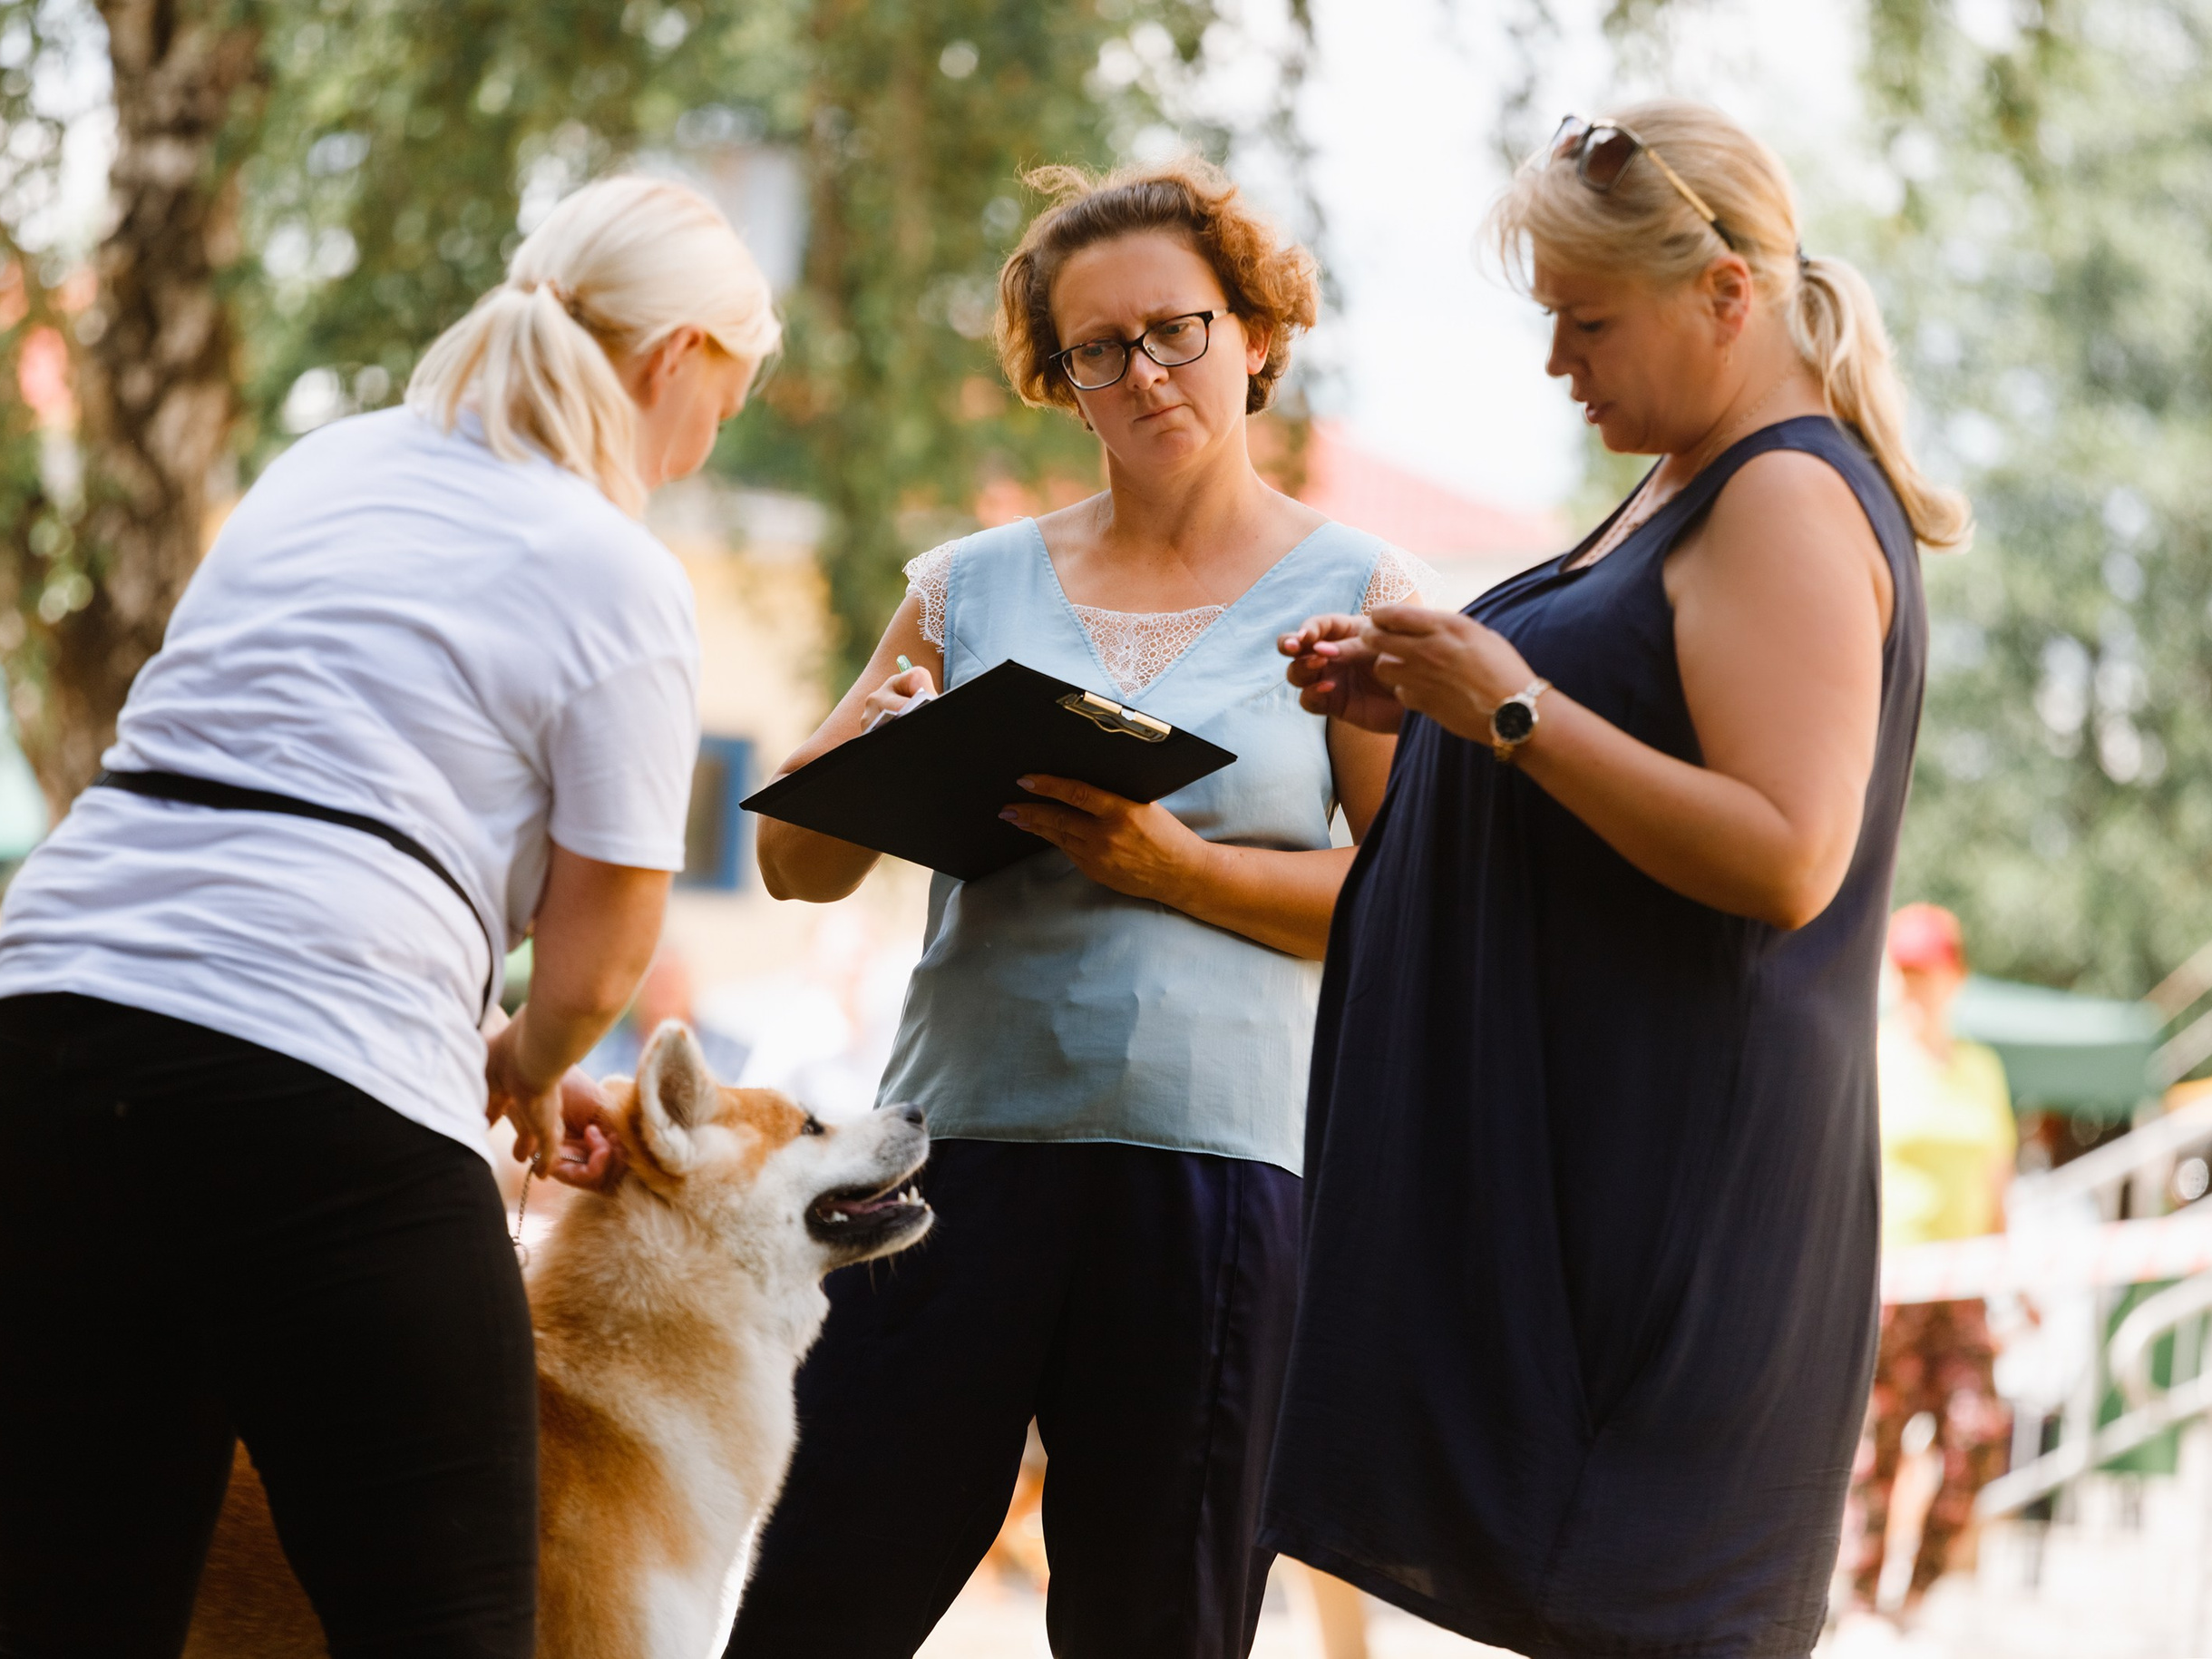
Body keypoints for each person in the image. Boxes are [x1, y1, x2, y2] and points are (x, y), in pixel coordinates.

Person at [0, 175, 778, 1656]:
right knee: (448, 1621)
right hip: (315, 1095)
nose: (719, 434)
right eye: (736, 390)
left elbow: (289, 823)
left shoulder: (326, 468)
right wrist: (526, 1063)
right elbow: (602, 958)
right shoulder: (616, 569)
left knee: (78, 1620)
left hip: (51, 1033)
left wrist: (477, 1034)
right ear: (677, 365)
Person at [1262, 100, 1969, 1657]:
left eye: (1588, 321)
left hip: (1673, 1211)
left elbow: (1787, 852)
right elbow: (1596, 760)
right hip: (1589, 1177)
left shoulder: (1780, 491)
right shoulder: (1684, 474)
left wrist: (1507, 705)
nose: (1558, 365)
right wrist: (1424, 715)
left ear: (1726, 296)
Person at [728, 158, 1421, 1659]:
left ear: (1253, 332)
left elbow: (1407, 901)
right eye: (1097, 349)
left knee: (1157, 1622)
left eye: (1174, 329)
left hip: (1220, 1179)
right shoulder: (965, 585)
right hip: (948, 1160)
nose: (1143, 372)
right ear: (1063, 379)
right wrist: (862, 751)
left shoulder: (1363, 589)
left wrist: (1182, 867)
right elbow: (796, 864)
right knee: (815, 1599)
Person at [1847, 903, 2015, 1619]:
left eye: (1929, 971)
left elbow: (1996, 1182)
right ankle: (1856, 1595)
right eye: (1906, 971)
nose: (1917, 985)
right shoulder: (1872, 1053)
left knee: (1978, 1432)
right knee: (1872, 1452)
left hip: (1965, 1286)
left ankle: (1915, 1592)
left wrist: (2013, 1281)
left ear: (1956, 975)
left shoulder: (1980, 1067)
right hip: (1886, 1285)